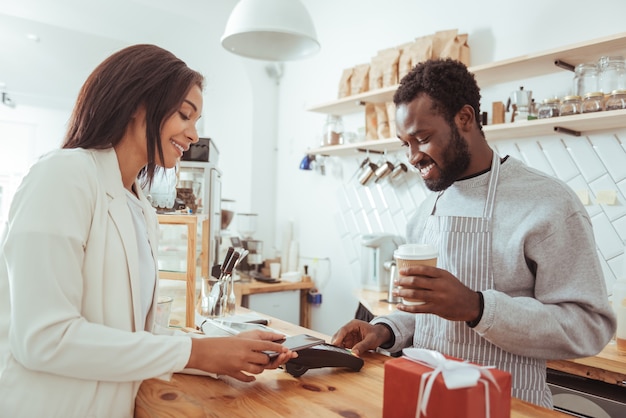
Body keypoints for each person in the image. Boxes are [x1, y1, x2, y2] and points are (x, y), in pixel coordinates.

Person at [0, 44, 296, 417]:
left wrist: (218, 352)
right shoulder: (62, 176)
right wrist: (198, 352)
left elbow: (135, 337)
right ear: (137, 104)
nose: (193, 135)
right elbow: (44, 339)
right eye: (185, 116)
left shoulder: (139, 208)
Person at [331, 58, 616, 408]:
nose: (412, 157)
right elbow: (427, 313)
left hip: (510, 407)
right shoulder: (426, 212)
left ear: (464, 119)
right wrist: (386, 329)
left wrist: (477, 307)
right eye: (405, 144)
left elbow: (590, 328)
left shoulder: (548, 203)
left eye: (422, 139)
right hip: (427, 401)